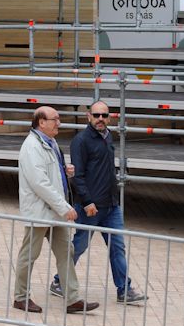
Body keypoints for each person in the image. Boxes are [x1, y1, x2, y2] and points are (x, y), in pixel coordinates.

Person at [50, 100, 146, 305]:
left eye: (104, 115)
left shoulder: (108, 136)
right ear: (88, 116)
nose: (100, 119)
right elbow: (77, 175)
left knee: (117, 247)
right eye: (96, 115)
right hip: (90, 208)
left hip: (111, 207)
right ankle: (58, 281)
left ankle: (124, 290)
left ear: (109, 117)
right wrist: (87, 201)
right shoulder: (81, 141)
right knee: (79, 245)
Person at [12, 106, 99, 315]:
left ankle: (72, 298)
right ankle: (20, 297)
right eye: (55, 119)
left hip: (54, 211)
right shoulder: (32, 146)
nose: (58, 122)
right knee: (29, 254)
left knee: (65, 252)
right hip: (41, 211)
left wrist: (64, 170)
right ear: (41, 122)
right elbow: (39, 183)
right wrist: (64, 207)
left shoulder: (49, 142)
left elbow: (49, 174)